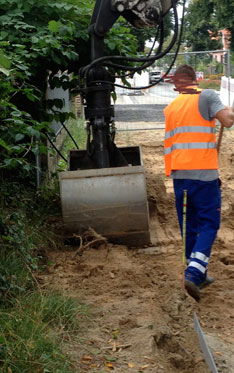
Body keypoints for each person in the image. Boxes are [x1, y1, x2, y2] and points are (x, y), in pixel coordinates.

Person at [163, 64, 234, 301]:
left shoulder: (171, 107)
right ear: (195, 79)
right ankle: (193, 274)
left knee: (189, 225)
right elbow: (227, 121)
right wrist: (228, 110)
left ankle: (198, 274)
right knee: (209, 225)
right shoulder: (207, 96)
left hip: (180, 177)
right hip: (203, 177)